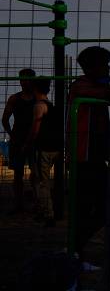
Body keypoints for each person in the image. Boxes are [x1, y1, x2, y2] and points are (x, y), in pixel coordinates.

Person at [68, 46, 110, 270]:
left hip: (95, 157)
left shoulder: (98, 86)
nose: (108, 68)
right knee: (95, 207)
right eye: (105, 65)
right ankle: (74, 252)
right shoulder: (80, 87)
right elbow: (108, 95)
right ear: (92, 67)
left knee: (104, 206)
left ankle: (75, 250)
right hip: (83, 158)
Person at [24, 78, 61, 227]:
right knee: (37, 178)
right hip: (55, 147)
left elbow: (35, 130)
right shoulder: (51, 106)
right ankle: (43, 210)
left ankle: (48, 215)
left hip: (43, 148)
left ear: (35, 90)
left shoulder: (39, 106)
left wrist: (27, 144)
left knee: (42, 183)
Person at [2, 68, 37, 214]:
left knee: (35, 172)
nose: (24, 82)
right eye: (22, 79)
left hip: (33, 139)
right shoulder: (15, 99)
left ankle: (35, 201)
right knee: (18, 174)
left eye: (27, 79)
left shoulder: (37, 98)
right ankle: (19, 204)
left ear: (32, 80)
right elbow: (4, 119)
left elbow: (5, 119)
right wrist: (12, 134)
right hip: (19, 140)